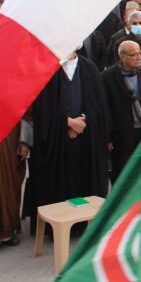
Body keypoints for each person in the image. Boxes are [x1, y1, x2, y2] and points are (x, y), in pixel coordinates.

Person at [25, 49, 111, 232]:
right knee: (60, 181)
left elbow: (98, 104)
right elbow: (41, 107)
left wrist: (83, 120)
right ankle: (58, 224)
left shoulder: (89, 68)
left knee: (83, 181)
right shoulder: (47, 69)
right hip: (56, 143)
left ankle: (82, 225)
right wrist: (66, 122)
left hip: (85, 140)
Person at [101, 40, 141, 183]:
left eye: (140, 53)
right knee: (122, 173)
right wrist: (107, 136)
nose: (139, 57)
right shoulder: (107, 77)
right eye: (134, 54)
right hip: (120, 135)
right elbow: (105, 109)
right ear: (122, 57)